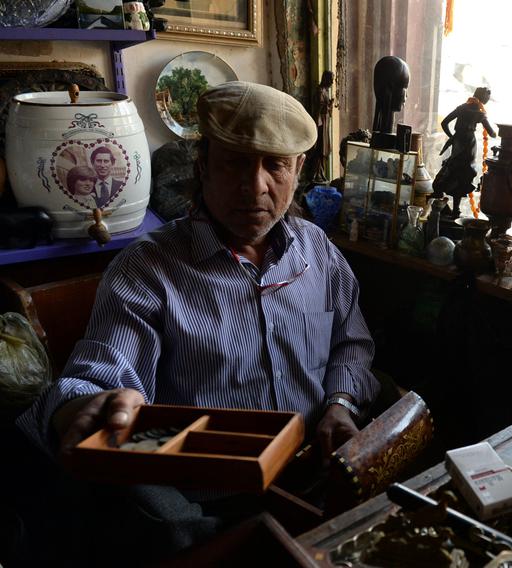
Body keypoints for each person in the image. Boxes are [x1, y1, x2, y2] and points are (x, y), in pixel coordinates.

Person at [14, 81, 379, 564]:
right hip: (210, 505)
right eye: (234, 162)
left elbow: (351, 344)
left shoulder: (319, 253)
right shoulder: (148, 267)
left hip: (319, 477)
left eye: (275, 164)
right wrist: (80, 405)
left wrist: (339, 403)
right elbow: (103, 373)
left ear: (298, 170)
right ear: (202, 164)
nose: (255, 187)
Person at [432, 87, 497, 215]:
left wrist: (452, 137)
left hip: (458, 141)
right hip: (469, 144)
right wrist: (496, 132)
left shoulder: (462, 108)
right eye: (487, 98)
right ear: (483, 97)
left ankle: (446, 206)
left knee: (453, 169)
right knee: (463, 174)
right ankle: (455, 209)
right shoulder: (479, 112)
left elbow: (444, 123)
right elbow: (492, 133)